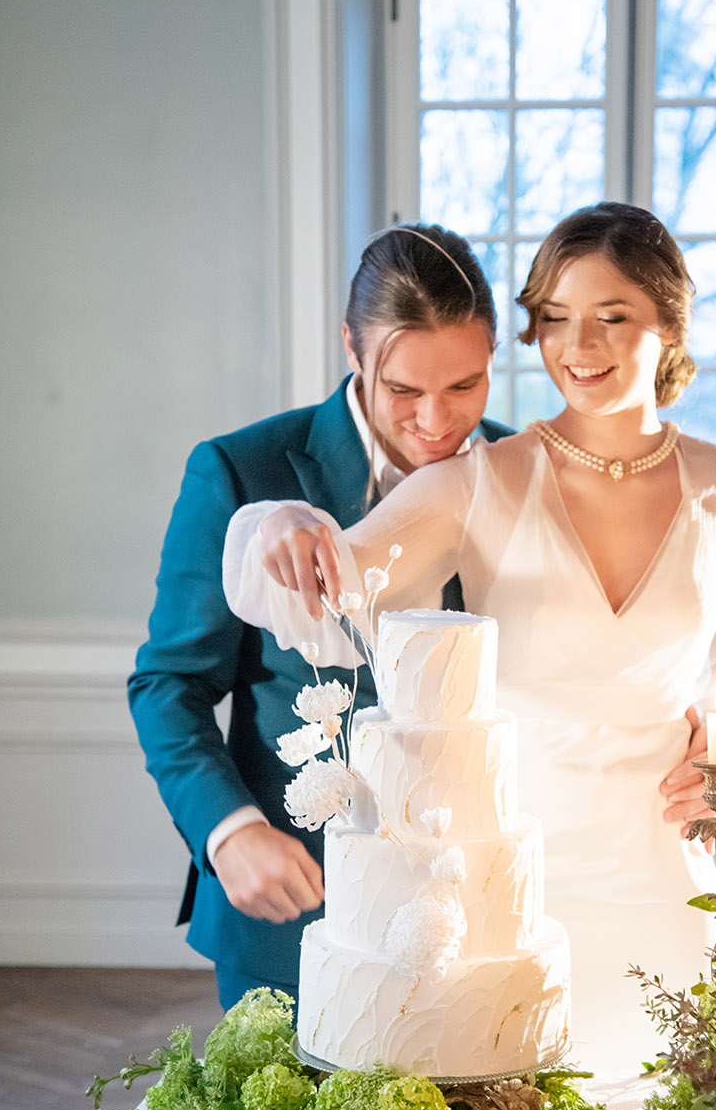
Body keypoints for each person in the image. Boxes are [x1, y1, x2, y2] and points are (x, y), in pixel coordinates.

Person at [223, 203, 716, 1073]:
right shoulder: (479, 479)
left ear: (670, 324)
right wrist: (281, 521)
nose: (579, 345)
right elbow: (344, 570)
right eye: (556, 318)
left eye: (612, 317)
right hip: (512, 882)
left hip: (665, 862)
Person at [128, 224, 513, 1012]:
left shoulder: (517, 471)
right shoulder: (244, 469)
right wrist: (228, 830)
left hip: (479, 915)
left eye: (465, 386)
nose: (438, 421)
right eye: (404, 389)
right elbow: (169, 683)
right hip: (294, 915)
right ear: (350, 346)